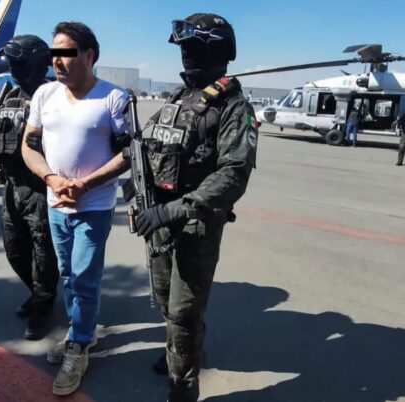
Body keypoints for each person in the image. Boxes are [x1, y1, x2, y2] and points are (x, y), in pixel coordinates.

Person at [63, 13, 257, 402]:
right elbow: (140, 149)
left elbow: (233, 175)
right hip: (159, 219)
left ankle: (183, 386)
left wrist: (167, 213)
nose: (185, 56)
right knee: (167, 301)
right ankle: (180, 351)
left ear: (216, 52)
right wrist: (104, 184)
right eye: (183, 49)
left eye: (192, 48)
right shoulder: (178, 99)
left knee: (185, 310)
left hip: (194, 225)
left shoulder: (233, 106)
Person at [20, 22, 128, 396]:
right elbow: (29, 144)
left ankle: (79, 345)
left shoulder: (114, 98)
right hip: (56, 203)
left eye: (66, 53)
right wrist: (51, 179)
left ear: (89, 56)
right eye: (54, 53)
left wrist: (85, 185)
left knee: (84, 277)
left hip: (93, 205)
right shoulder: (45, 94)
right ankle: (81, 331)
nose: (57, 60)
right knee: (67, 273)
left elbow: (129, 153)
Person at [0, 35, 58, 340]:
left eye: (21, 64)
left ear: (39, 64)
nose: (15, 70)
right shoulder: (10, 96)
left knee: (43, 253)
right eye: (12, 64)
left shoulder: (54, 98)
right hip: (12, 186)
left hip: (39, 189)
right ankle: (38, 292)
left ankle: (43, 305)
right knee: (15, 249)